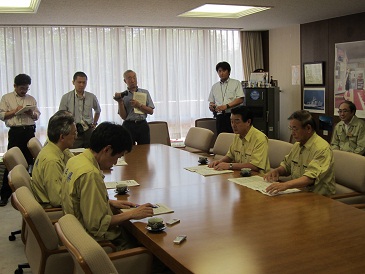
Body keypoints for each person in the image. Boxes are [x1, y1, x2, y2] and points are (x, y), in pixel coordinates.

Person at [62, 122, 154, 250]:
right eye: (118, 156)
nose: (116, 163)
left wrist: (107, 202)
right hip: (99, 243)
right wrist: (132, 214)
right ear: (107, 149)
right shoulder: (90, 174)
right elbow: (97, 225)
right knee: (154, 253)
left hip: (75, 234)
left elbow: (79, 200)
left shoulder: (75, 160)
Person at [264, 110, 335, 196]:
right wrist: (277, 171)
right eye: (291, 128)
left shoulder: (322, 148)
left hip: (317, 199)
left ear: (308, 128)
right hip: (298, 193)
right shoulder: (297, 145)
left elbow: (309, 179)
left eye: (295, 129)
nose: (292, 133)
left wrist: (285, 185)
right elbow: (287, 166)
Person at [0, 74, 40, 206]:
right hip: (16, 133)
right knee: (11, 164)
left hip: (29, 131)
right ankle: (5, 195)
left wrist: (31, 113)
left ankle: (30, 194)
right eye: (22, 88)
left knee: (30, 162)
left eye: (26, 88)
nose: (24, 91)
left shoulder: (31, 99)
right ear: (15, 86)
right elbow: (2, 115)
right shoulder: (6, 98)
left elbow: (37, 116)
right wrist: (14, 111)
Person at [31, 111, 77, 208]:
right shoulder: (52, 161)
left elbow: (74, 163)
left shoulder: (56, 147)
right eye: (73, 133)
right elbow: (58, 200)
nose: (76, 137)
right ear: (62, 137)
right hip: (56, 210)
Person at [208, 106, 270, 173]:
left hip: (257, 177)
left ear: (248, 122)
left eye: (237, 122)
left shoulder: (260, 138)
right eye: (231, 122)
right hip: (240, 175)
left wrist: (230, 166)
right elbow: (230, 156)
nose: (233, 125)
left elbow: (255, 166)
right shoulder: (237, 136)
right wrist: (219, 162)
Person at [59, 71, 101, 148]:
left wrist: (94, 123)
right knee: (74, 153)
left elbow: (98, 110)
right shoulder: (66, 97)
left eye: (84, 82)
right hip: (73, 131)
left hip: (88, 130)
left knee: (91, 152)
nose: (81, 85)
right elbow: (61, 115)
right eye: (79, 82)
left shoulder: (91, 97)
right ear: (73, 82)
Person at [114, 70, 155, 144]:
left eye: (134, 78)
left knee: (144, 150)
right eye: (129, 78)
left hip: (142, 124)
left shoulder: (145, 92)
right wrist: (120, 102)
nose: (132, 80)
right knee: (128, 151)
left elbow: (151, 111)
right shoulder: (123, 95)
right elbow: (123, 117)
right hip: (129, 125)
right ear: (125, 81)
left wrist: (139, 105)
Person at [208, 61, 244, 134]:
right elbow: (211, 102)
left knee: (235, 137)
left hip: (233, 115)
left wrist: (226, 106)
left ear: (229, 72)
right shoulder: (215, 86)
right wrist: (211, 107)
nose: (221, 73)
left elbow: (240, 99)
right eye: (219, 71)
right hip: (220, 116)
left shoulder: (236, 83)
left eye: (224, 71)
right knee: (221, 138)